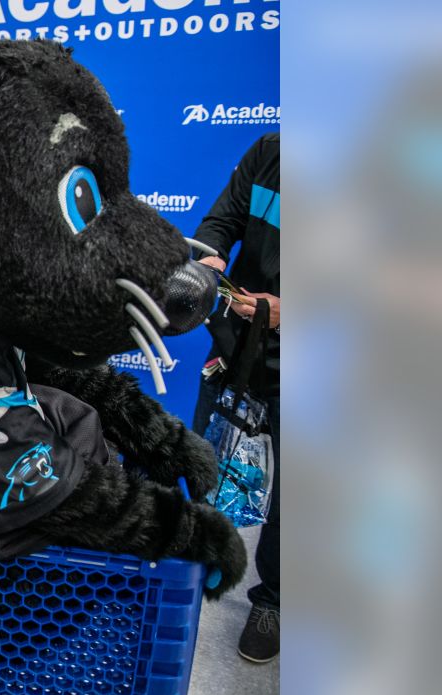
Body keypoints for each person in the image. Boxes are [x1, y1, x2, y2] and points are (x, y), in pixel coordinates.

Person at [192, 132, 280, 663]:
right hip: (237, 345)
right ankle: (196, 559)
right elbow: (220, 221)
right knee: (206, 459)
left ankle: (272, 599)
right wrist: (209, 261)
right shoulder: (270, 152)